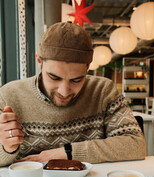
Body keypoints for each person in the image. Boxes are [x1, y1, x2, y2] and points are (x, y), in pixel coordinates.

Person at [0, 22, 146, 167]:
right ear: (39, 61)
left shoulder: (103, 91)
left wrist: (67, 153)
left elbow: (135, 144)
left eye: (76, 80)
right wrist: (6, 148)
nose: (64, 91)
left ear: (87, 68)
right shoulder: (9, 95)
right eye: (54, 77)